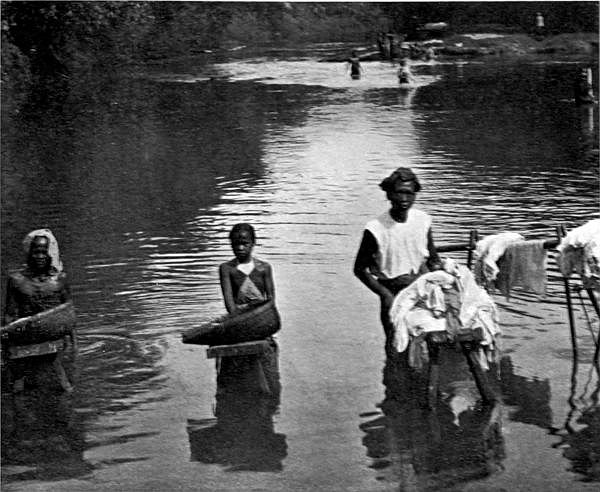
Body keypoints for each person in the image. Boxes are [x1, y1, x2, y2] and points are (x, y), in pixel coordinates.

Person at [353, 168, 440, 356]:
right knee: (396, 347)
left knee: (429, 342)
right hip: (393, 291)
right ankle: (393, 380)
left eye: (409, 193)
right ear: (389, 194)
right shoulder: (375, 229)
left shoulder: (422, 220)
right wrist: (384, 294)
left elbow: (433, 260)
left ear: (415, 195)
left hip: (421, 287)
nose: (404, 199)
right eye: (399, 192)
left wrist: (442, 277)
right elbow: (359, 269)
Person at [216, 223, 281, 416]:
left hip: (261, 323)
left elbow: (271, 301)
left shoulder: (264, 268)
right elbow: (230, 304)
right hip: (238, 323)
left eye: (244, 243)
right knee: (230, 381)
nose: (240, 248)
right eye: (235, 244)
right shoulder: (226, 269)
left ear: (253, 243)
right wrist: (241, 322)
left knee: (268, 380)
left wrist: (258, 320)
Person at [3, 229, 74, 392]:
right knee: (18, 386)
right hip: (26, 336)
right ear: (29, 253)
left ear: (50, 254)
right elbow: (9, 314)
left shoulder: (59, 279)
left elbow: (68, 312)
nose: (40, 257)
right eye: (36, 252)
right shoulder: (17, 281)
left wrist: (73, 344)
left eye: (44, 252)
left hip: (52, 333)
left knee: (62, 383)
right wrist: (6, 345)